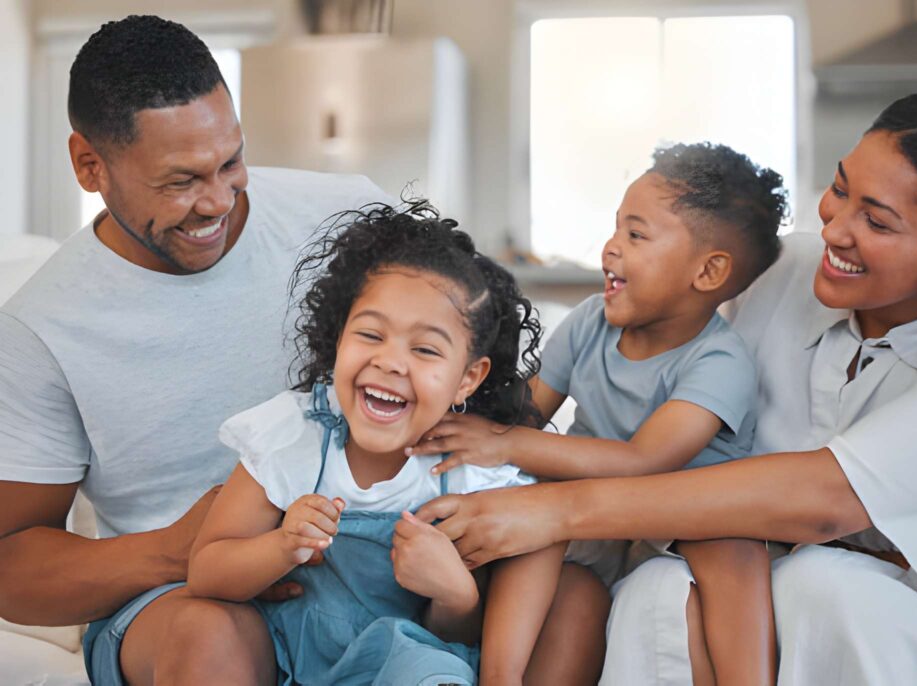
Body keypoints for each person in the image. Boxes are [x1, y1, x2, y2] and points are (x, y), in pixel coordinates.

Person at [416, 88, 917, 685]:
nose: (835, 229)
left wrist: (554, 508)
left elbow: (822, 499)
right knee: (654, 587)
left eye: (877, 221)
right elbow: (675, 298)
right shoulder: (784, 271)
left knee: (817, 586)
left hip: (884, 606)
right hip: (706, 561)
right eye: (840, 190)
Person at [0, 15, 389, 685]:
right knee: (207, 638)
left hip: (366, 554)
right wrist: (183, 550)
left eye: (231, 163)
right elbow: (11, 565)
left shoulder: (348, 216)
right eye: (179, 182)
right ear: (90, 165)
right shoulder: (40, 329)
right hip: (178, 599)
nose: (217, 202)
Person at [408, 142, 786, 685]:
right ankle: (499, 675)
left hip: (682, 521)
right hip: (587, 523)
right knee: (549, 543)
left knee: (735, 545)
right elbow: (526, 412)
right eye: (615, 228)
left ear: (707, 271)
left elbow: (644, 461)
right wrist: (469, 419)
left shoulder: (719, 362)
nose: (610, 247)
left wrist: (506, 442)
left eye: (636, 235)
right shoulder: (591, 322)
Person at [187, 204, 565, 685]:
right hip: (285, 655)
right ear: (339, 338)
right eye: (370, 334)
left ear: (468, 378)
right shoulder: (297, 434)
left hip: (407, 665)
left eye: (425, 349)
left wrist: (456, 595)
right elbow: (207, 573)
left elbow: (458, 639)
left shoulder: (471, 475)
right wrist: (281, 546)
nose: (390, 362)